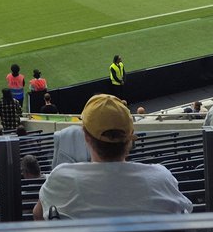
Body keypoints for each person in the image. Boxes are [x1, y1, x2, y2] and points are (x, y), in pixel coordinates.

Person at [34, 94, 191, 220]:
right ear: (130, 138)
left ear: (86, 137)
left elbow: (38, 215)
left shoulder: (60, 178)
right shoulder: (162, 178)